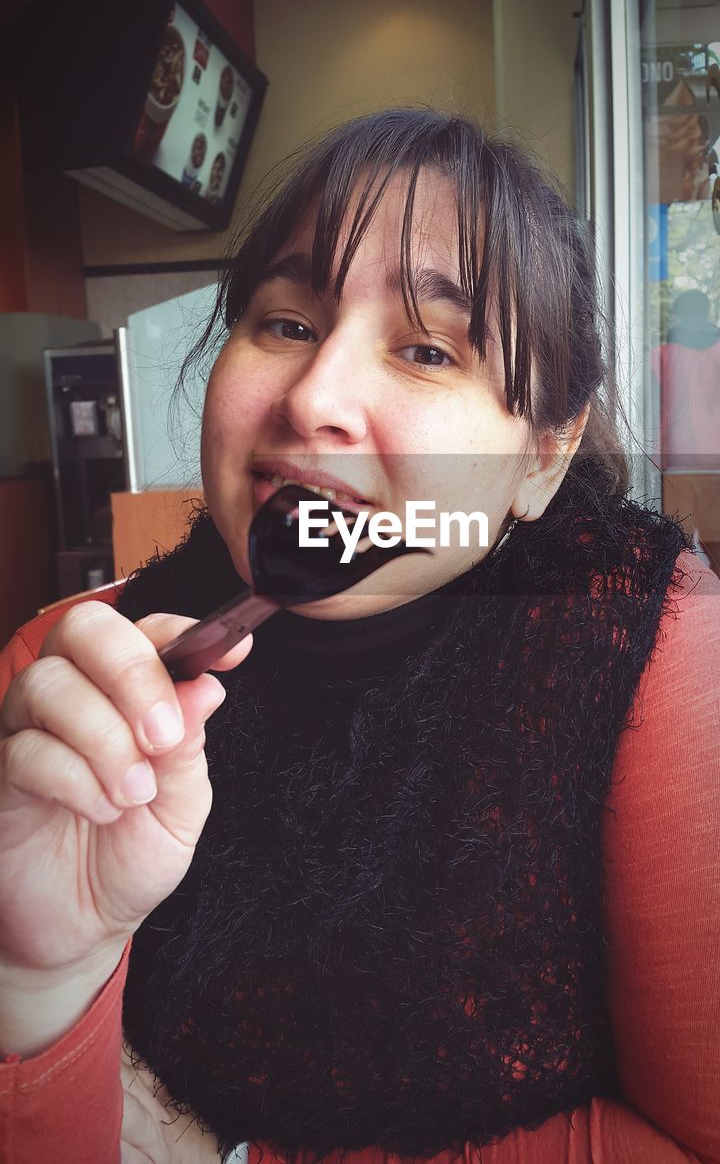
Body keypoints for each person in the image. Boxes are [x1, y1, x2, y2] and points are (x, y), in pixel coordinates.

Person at [1, 109, 719, 1164]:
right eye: (285, 323)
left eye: (428, 348)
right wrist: (35, 987)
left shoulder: (649, 651)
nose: (315, 396)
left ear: (544, 455)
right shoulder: (65, 686)